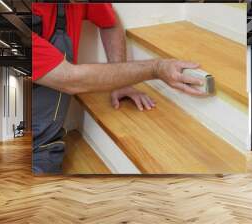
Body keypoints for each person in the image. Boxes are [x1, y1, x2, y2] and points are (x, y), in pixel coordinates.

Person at [32, 3, 204, 174]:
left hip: (43, 146)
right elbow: (70, 79)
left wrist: (121, 82)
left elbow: (110, 22)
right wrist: (156, 68)